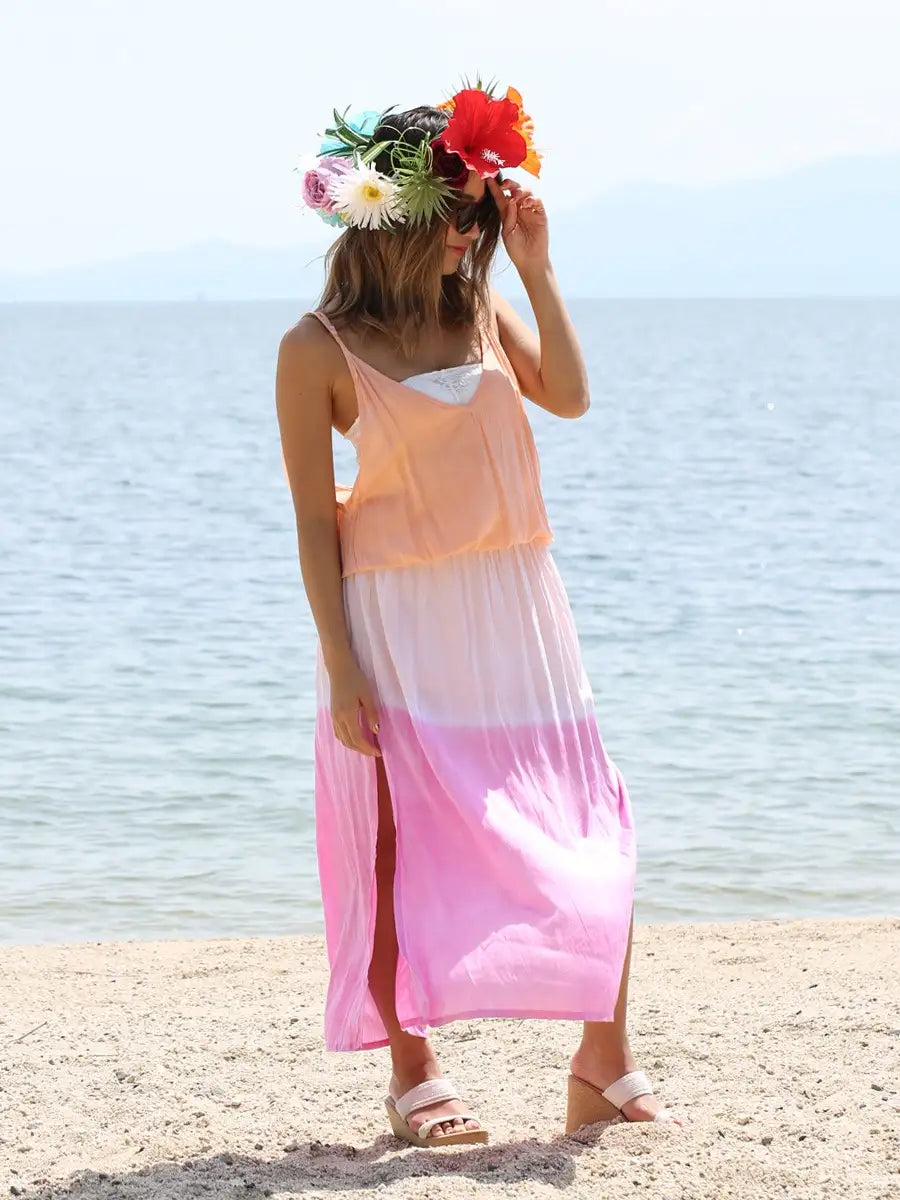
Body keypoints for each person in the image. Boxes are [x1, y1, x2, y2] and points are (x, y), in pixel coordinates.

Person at [275, 84, 682, 1147]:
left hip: (518, 604)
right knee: (401, 842)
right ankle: (414, 1073)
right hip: (395, 618)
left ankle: (602, 1062)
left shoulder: (478, 309)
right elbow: (314, 520)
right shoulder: (316, 348)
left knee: (588, 819)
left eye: (483, 213)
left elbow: (571, 395)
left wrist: (537, 271)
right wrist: (341, 663)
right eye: (464, 213)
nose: (475, 230)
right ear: (400, 215)